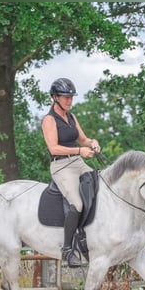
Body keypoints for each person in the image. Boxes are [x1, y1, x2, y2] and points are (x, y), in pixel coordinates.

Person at [41, 77, 102, 267]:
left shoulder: (72, 117)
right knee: (76, 202)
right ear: (55, 98)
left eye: (71, 97)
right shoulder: (49, 120)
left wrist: (92, 143)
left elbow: (82, 139)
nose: (69, 100)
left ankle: (92, 235)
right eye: (65, 97)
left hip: (77, 161)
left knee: (101, 184)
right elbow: (53, 148)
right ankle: (68, 250)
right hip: (61, 166)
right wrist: (79, 151)